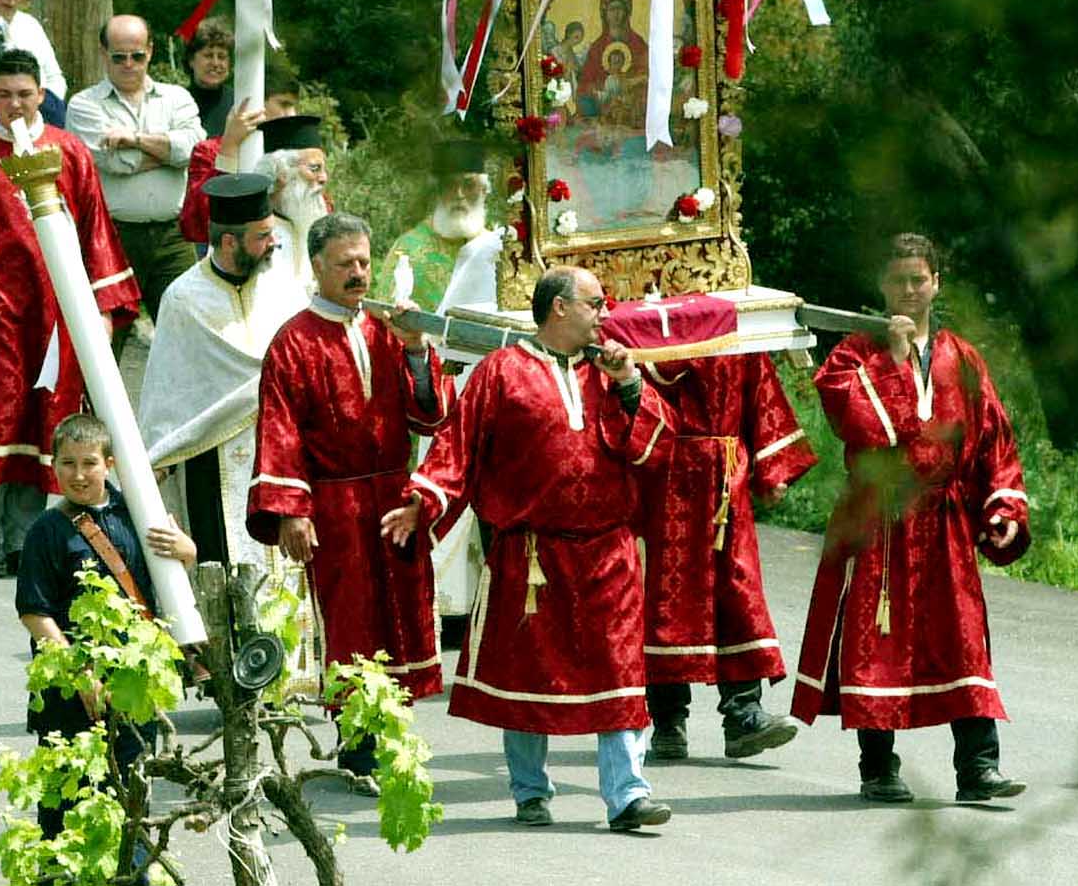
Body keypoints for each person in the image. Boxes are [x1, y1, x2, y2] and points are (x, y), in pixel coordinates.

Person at [382, 266, 676, 832]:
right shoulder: (501, 371)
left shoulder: (610, 372)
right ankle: (530, 789)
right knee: (529, 673)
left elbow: (654, 450)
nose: (605, 313)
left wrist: (631, 385)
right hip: (532, 553)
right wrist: (424, 501)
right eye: (595, 302)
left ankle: (628, 795)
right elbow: (457, 446)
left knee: (620, 670)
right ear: (559, 307)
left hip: (608, 552)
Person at [788, 233, 1030, 803]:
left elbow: (993, 438)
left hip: (945, 522)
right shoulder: (852, 356)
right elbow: (863, 428)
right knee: (875, 640)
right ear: (882, 284)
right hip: (879, 520)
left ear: (936, 283)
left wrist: (1003, 505)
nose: (909, 289)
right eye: (898, 280)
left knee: (963, 639)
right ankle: (878, 767)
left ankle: (978, 768)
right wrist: (895, 361)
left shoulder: (962, 357)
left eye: (919, 279)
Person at [247, 212, 449, 780]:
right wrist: (292, 512)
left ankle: (394, 730)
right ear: (317, 265)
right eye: (345, 264)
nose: (359, 273)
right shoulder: (293, 341)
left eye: (364, 261)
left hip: (392, 496)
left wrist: (416, 351)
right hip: (335, 505)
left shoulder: (389, 329)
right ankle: (357, 742)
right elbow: (280, 428)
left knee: (402, 611)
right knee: (351, 618)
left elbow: (428, 414)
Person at [0, 49, 140, 576]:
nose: (15, 104)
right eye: (4, 95)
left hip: (53, 312)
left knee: (43, 418)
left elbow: (95, 231)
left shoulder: (68, 150)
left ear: (42, 94)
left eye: (24, 94)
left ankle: (24, 538)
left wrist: (102, 308)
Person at [17, 414, 196, 850]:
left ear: (110, 464)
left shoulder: (141, 513)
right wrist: (79, 674)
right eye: (68, 463)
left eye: (89, 463)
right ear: (54, 465)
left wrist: (188, 551)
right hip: (69, 694)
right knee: (64, 812)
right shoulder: (46, 531)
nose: (78, 475)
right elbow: (35, 613)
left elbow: (171, 582)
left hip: (133, 686)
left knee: (132, 808)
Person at [639, 350, 816, 762]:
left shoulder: (737, 336)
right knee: (666, 601)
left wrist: (773, 468)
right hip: (664, 479)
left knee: (737, 593)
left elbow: (760, 390)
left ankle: (743, 714)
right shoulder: (647, 333)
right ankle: (667, 719)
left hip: (725, 481)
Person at [138, 173, 307, 567]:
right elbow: (167, 391)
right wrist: (158, 458)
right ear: (230, 241)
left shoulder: (285, 288)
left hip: (281, 449)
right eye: (263, 236)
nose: (274, 243)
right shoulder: (183, 298)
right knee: (222, 565)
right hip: (210, 459)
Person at [65, 15, 202, 346]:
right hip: (112, 238)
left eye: (137, 56)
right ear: (103, 54)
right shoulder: (84, 105)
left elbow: (193, 150)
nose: (129, 64)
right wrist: (167, 154)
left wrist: (134, 139)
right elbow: (113, 162)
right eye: (119, 57)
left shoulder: (177, 98)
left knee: (187, 339)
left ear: (150, 51)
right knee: (106, 343)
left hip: (173, 238)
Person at [176, 59, 303, 246]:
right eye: (284, 104)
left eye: (293, 106)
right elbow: (195, 225)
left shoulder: (296, 153)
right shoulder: (209, 151)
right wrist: (229, 148)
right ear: (257, 103)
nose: (292, 114)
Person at [379, 137, 497, 313]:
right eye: (450, 185)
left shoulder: (495, 248)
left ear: (484, 190)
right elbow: (386, 315)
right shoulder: (408, 249)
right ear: (438, 191)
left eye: (469, 185)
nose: (459, 194)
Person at [255, 114, 332, 297]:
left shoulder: (310, 225)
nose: (324, 178)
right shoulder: (249, 230)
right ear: (282, 174)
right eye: (314, 169)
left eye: (324, 169)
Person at [185, 19, 235, 139]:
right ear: (191, 60)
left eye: (222, 57)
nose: (215, 63)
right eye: (208, 56)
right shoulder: (178, 102)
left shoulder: (237, 102)